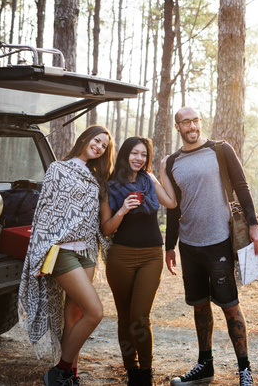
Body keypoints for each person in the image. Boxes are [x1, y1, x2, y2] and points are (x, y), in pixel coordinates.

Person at [159, 106, 258, 386]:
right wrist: (170, 245)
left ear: (200, 123)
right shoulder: (172, 162)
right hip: (190, 246)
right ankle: (205, 366)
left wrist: (253, 224)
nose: (192, 126)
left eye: (195, 120)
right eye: (186, 122)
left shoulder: (220, 149)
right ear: (178, 127)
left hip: (219, 241)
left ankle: (245, 370)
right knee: (199, 306)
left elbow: (242, 186)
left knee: (230, 306)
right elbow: (173, 207)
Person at [19, 125, 115, 386]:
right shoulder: (58, 169)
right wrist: (39, 253)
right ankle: (59, 371)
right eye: (96, 140)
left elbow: (97, 218)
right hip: (61, 252)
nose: (99, 147)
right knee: (95, 312)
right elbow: (45, 214)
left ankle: (70, 376)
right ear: (84, 138)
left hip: (87, 251)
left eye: (104, 146)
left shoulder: (97, 178)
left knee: (75, 315)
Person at [100, 136, 178, 386]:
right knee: (124, 317)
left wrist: (163, 171)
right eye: (134, 153)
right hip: (121, 256)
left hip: (151, 255)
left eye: (144, 155)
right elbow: (106, 230)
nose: (139, 158)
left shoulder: (149, 180)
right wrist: (122, 210)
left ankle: (146, 372)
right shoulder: (110, 186)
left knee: (140, 316)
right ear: (124, 155)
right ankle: (131, 372)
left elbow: (172, 202)